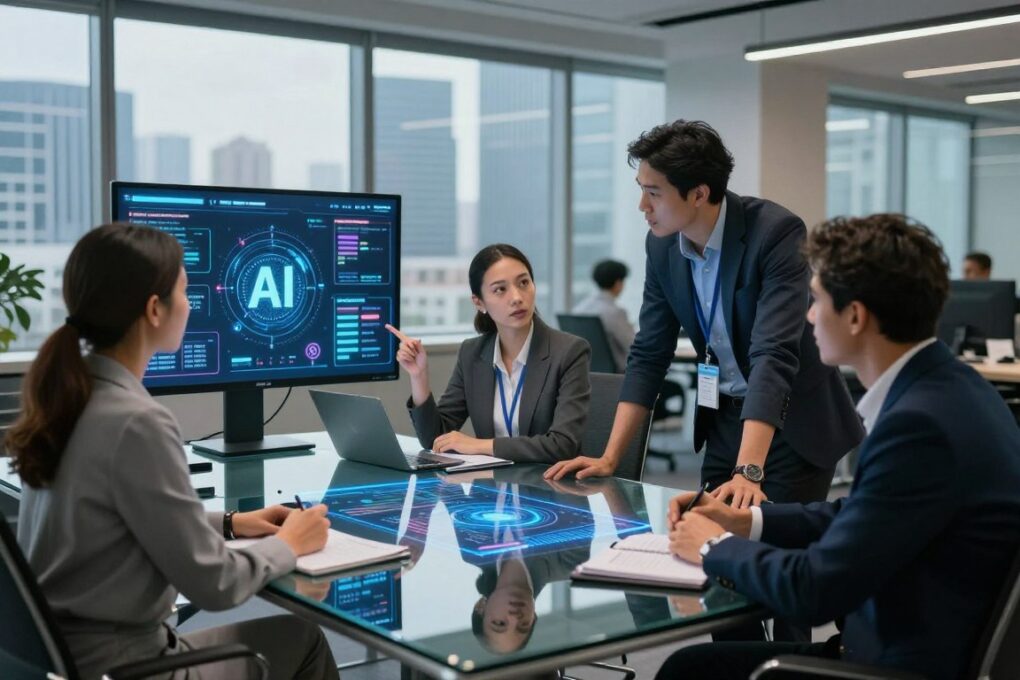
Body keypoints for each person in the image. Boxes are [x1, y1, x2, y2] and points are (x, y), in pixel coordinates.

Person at [659, 214, 1020, 680]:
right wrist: (745, 521)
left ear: (855, 316)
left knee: (688, 672)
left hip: (896, 664)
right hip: (919, 640)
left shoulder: (918, 425)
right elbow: (863, 513)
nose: (808, 314)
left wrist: (714, 546)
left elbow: (814, 590)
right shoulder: (955, 389)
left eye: (818, 300)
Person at [9, 224, 339, 680]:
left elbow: (113, 521)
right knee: (303, 637)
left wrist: (230, 522)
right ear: (154, 310)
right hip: (135, 668)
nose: (191, 305)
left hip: (70, 661)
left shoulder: (67, 398)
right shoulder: (136, 421)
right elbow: (216, 586)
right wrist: (289, 544)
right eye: (185, 292)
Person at [547, 119, 863, 509]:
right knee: (707, 545)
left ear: (698, 193)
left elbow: (773, 353)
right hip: (724, 420)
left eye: (653, 193)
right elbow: (649, 353)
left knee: (770, 552)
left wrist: (748, 470)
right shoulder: (662, 246)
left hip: (792, 423)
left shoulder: (775, 233)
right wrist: (610, 457)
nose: (642, 207)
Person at [387, 243, 591, 463]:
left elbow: (563, 445)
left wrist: (479, 445)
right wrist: (419, 376)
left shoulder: (568, 352)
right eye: (500, 289)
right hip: (492, 486)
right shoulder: (472, 353)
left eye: (524, 283)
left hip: (547, 487)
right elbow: (435, 438)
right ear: (479, 302)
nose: (516, 297)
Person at [572, 259, 636, 371]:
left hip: (585, 375)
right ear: (618, 283)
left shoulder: (579, 309)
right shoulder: (614, 312)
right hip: (618, 378)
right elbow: (634, 346)